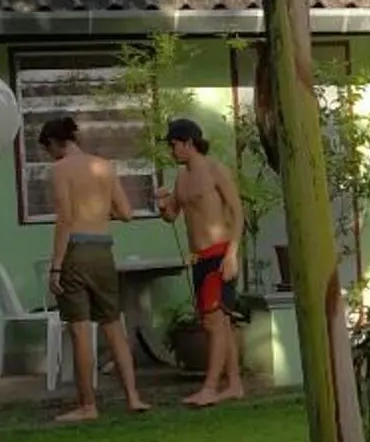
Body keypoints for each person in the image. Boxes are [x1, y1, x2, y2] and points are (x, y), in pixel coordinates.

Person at [41, 113, 146, 423]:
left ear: (54, 143)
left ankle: (88, 405)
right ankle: (134, 397)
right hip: (103, 251)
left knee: (80, 329)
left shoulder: (60, 170)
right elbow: (126, 213)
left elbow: (65, 219)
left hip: (76, 251)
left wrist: (56, 266)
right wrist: (99, 214)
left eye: (47, 149)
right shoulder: (105, 166)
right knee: (113, 324)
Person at [157, 117, 248, 408]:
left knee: (214, 323)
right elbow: (172, 215)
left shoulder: (215, 170)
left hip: (220, 253)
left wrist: (232, 254)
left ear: (188, 143)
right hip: (198, 257)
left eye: (174, 145)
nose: (172, 152)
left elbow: (238, 214)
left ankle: (210, 387)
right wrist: (162, 203)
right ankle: (233, 384)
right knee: (219, 324)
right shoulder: (181, 178)